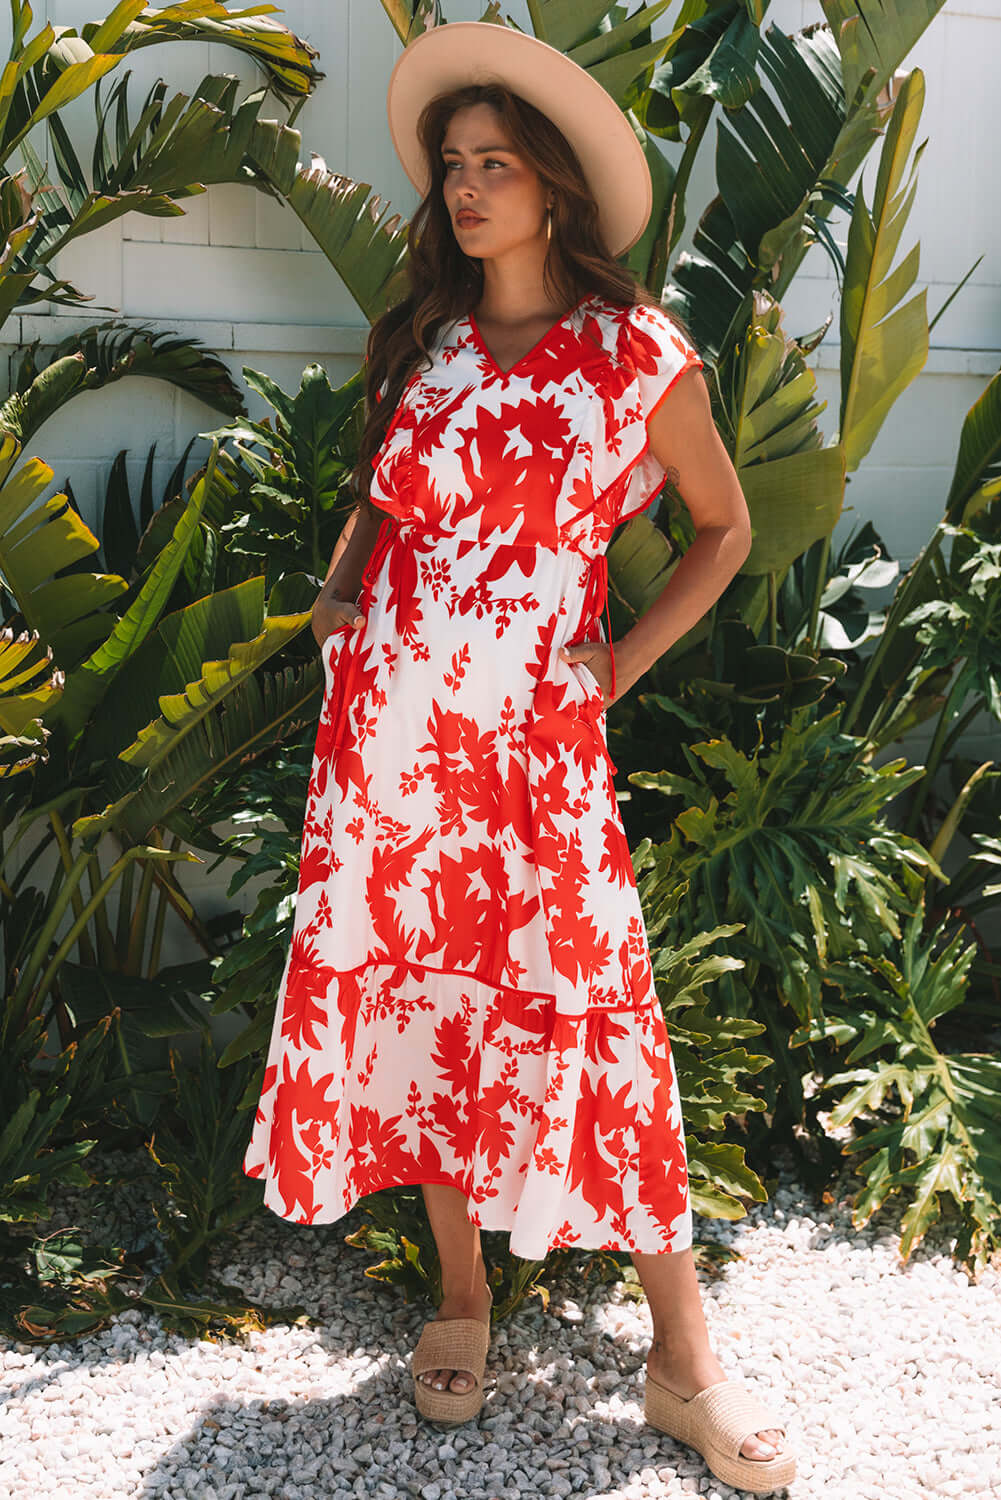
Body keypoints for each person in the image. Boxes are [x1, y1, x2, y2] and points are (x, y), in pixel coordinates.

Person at [244, 20, 795, 1495]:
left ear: (552, 188)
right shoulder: (420, 338)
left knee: (595, 1010)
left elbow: (722, 527)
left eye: (496, 165)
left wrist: (617, 660)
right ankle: (461, 1297)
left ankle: (683, 1362)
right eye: (452, 166)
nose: (468, 188)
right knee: (421, 1003)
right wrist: (340, 607)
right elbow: (378, 494)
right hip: (389, 744)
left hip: (534, 752)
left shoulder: (630, 354)